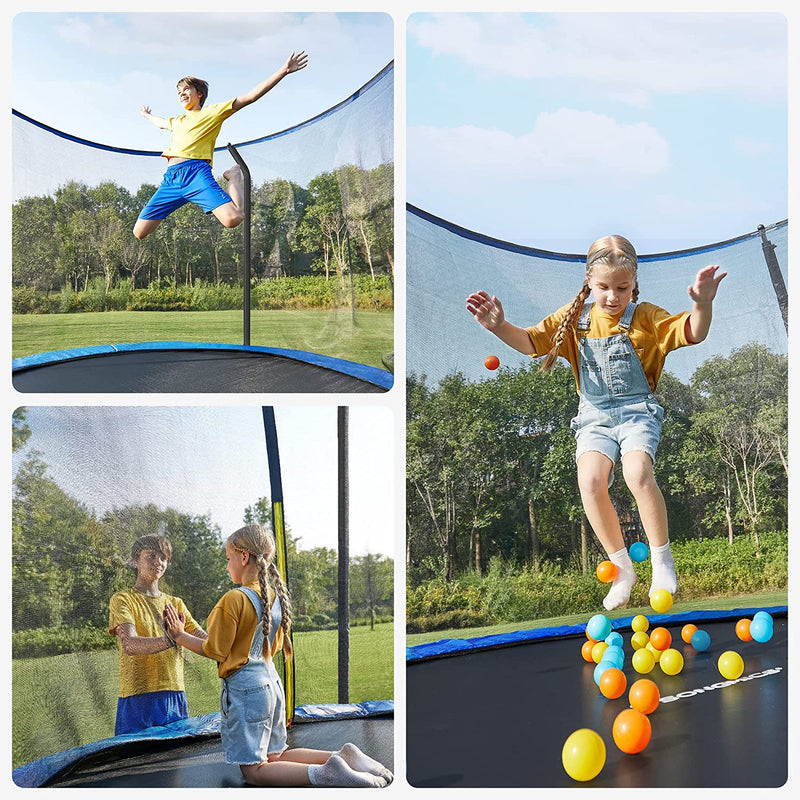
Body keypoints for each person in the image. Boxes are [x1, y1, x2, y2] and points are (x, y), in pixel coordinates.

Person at [466, 235, 727, 610]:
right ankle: (622, 569)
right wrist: (498, 327)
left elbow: (693, 332)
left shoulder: (646, 317)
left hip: (637, 410)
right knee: (589, 480)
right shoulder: (574, 320)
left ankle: (661, 561)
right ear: (589, 282)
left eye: (622, 287)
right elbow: (529, 342)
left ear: (633, 284)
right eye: (603, 287)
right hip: (593, 415)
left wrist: (702, 304)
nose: (612, 296)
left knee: (637, 472)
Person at [164, 524, 393, 788]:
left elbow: (215, 650)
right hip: (272, 684)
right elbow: (268, 646)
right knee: (276, 755)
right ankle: (342, 756)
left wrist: (180, 636)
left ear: (244, 557)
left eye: (228, 559)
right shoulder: (274, 598)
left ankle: (326, 773)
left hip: (247, 691)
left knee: (255, 770)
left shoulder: (233, 599)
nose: (227, 566)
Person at [133, 51, 308, 240]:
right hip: (171, 180)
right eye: (178, 92)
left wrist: (283, 71)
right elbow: (160, 123)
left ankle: (233, 177)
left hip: (196, 174)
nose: (181, 93)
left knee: (233, 218)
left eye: (185, 89)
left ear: (199, 94)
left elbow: (249, 97)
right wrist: (147, 115)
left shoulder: (212, 113)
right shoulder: (177, 121)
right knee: (139, 232)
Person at [108, 534, 207, 735]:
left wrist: (233, 638)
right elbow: (130, 645)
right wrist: (171, 639)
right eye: (151, 556)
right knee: (136, 762)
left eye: (163, 558)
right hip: (136, 698)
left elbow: (206, 641)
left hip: (173, 696)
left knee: (175, 759)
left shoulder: (176, 603)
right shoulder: (123, 599)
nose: (157, 562)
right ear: (136, 560)